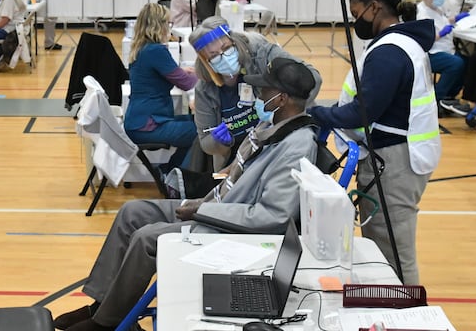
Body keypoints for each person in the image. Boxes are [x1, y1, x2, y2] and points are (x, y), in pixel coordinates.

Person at [53, 58, 318, 331]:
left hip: (237, 227)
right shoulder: (272, 125)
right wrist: (205, 199)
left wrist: (203, 210)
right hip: (218, 205)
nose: (259, 96)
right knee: (133, 212)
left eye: (265, 91)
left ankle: (104, 323)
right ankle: (103, 305)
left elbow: (272, 216)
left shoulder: (297, 146)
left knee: (147, 238)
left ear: (282, 98)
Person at [309, 0, 441, 285]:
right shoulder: (402, 44)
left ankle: (409, 315)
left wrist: (318, 113)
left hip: (394, 162)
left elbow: (363, 111)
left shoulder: (389, 51)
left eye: (357, 14)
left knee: (393, 253)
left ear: (375, 7)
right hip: (397, 155)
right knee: (384, 249)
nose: (356, 22)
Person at [188, 16, 322, 171]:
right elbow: (205, 142)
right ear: (206, 62)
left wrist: (284, 116)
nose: (223, 57)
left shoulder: (262, 54)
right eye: (214, 56)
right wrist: (219, 143)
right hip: (238, 160)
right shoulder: (205, 89)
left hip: (279, 146)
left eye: (226, 48)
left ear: (233, 41)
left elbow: (312, 79)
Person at [123, 3, 198, 171]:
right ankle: (173, 173)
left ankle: (171, 171)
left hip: (140, 121)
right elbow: (186, 83)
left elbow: (165, 74)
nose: (170, 28)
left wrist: (180, 71)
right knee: (203, 132)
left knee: (198, 124)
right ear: (160, 25)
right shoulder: (156, 51)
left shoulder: (143, 48)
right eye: (168, 24)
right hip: (148, 125)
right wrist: (206, 75)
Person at [414, 0, 466, 107]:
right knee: (456, 64)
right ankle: (436, 99)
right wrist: (441, 34)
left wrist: (453, 20)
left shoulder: (435, 8)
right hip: (430, 52)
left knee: (467, 63)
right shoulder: (421, 13)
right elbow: (425, 39)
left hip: (445, 49)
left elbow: (440, 21)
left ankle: (450, 96)